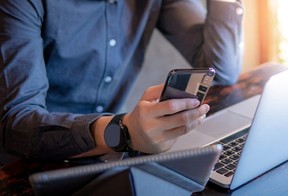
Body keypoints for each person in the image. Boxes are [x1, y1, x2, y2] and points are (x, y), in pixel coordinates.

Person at [0, 0, 244, 161]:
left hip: (108, 154)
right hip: (26, 163)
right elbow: (16, 124)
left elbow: (220, 70)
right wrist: (123, 131)